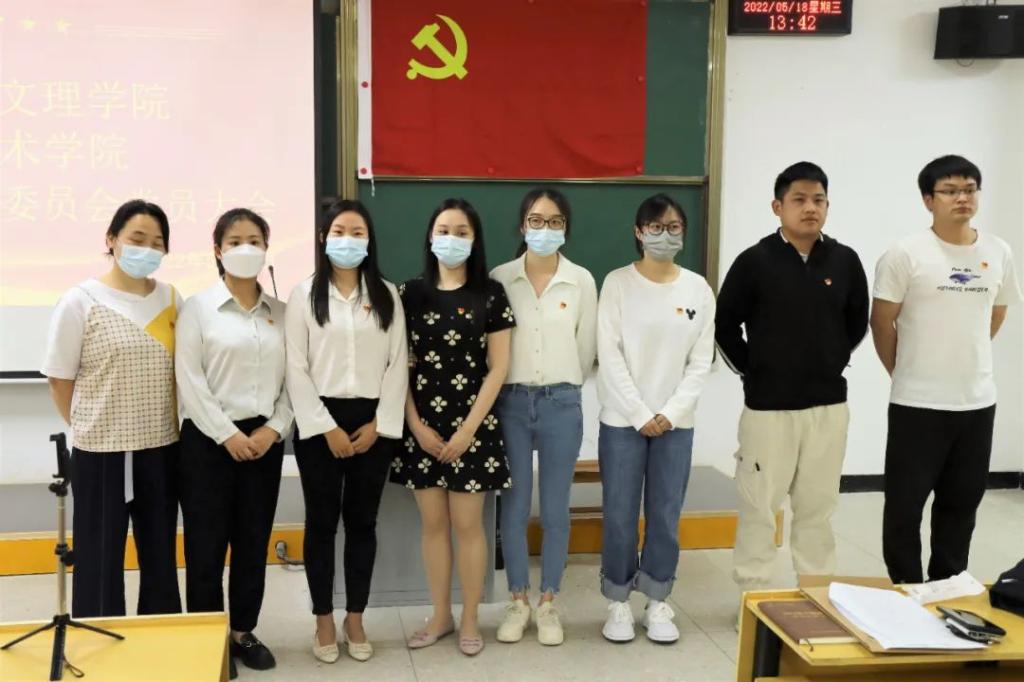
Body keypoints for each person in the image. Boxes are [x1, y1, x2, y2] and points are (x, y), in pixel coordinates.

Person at [716, 162, 868, 602]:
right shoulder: (754, 261)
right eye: (799, 200)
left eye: (818, 200)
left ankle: (817, 594)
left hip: (827, 407)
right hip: (769, 409)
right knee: (759, 507)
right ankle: (755, 597)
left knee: (818, 508)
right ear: (777, 207)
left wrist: (832, 359)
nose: (810, 208)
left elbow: (856, 321)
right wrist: (755, 370)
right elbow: (725, 326)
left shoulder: (844, 260)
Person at [871, 155, 1022, 584]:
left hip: (976, 403)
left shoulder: (998, 251)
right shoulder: (905, 254)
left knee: (961, 504)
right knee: (904, 506)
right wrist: (904, 371)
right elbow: (881, 322)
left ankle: (946, 587)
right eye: (950, 190)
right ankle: (906, 586)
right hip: (917, 403)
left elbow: (995, 314)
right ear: (928, 200)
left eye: (969, 189)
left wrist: (964, 358)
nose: (962, 198)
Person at [41, 199, 182, 618]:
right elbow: (59, 379)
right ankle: (101, 640)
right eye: (137, 238)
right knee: (99, 557)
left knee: (160, 553)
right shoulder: (80, 300)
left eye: (157, 242)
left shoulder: (172, 299)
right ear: (112, 239)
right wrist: (93, 426)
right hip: (100, 453)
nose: (147, 248)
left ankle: (158, 634)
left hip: (161, 447)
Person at [390, 198, 515, 656]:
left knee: (468, 527)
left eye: (462, 232)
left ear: (475, 240)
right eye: (443, 230)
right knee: (433, 526)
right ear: (430, 236)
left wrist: (467, 432)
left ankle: (470, 619)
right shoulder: (408, 294)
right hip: (422, 428)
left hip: (473, 428)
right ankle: (440, 615)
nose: (452, 239)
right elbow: (397, 366)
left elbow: (498, 368)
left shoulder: (492, 294)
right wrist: (415, 424)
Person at [285, 199, 408, 663]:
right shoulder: (303, 295)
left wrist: (380, 424)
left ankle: (355, 616)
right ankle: (323, 618)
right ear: (323, 238)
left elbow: (398, 362)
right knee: (321, 523)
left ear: (369, 240)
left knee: (362, 523)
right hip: (321, 423)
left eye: (357, 232)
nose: (348, 240)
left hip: (373, 422)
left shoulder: (387, 294)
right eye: (339, 231)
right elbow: (295, 366)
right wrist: (324, 428)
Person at [176, 208, 292, 678]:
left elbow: (295, 380)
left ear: (266, 249)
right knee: (205, 545)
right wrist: (226, 434)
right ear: (218, 250)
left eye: (255, 241)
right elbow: (189, 379)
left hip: (264, 442)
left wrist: (273, 429)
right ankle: (208, 637)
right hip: (208, 442)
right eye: (235, 241)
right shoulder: (196, 308)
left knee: (252, 541)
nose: (246, 248)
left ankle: (243, 631)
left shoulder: (282, 313)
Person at [597, 193, 715, 644]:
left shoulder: (698, 289)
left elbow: (700, 362)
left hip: (675, 425)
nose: (665, 235)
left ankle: (658, 599)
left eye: (674, 227)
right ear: (638, 232)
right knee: (620, 514)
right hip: (622, 421)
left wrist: (668, 414)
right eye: (656, 227)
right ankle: (618, 601)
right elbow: (609, 355)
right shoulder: (617, 284)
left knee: (665, 514)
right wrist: (640, 413)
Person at [490, 188, 598, 646]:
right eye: (536, 220)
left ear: (566, 228)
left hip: (561, 404)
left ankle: (549, 601)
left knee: (555, 508)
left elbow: (585, 348)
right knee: (514, 507)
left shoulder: (581, 281)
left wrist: (560, 385)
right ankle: (518, 600)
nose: (545, 229)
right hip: (511, 403)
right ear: (522, 225)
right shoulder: (500, 278)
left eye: (555, 222)